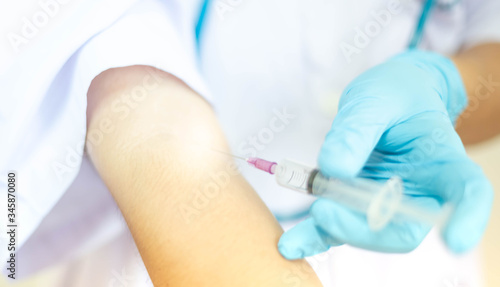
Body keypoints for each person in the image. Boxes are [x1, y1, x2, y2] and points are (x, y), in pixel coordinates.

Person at [1, 0, 499, 286]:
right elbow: (164, 146)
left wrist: (447, 85)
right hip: (147, 249)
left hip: (396, 236)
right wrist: (155, 129)